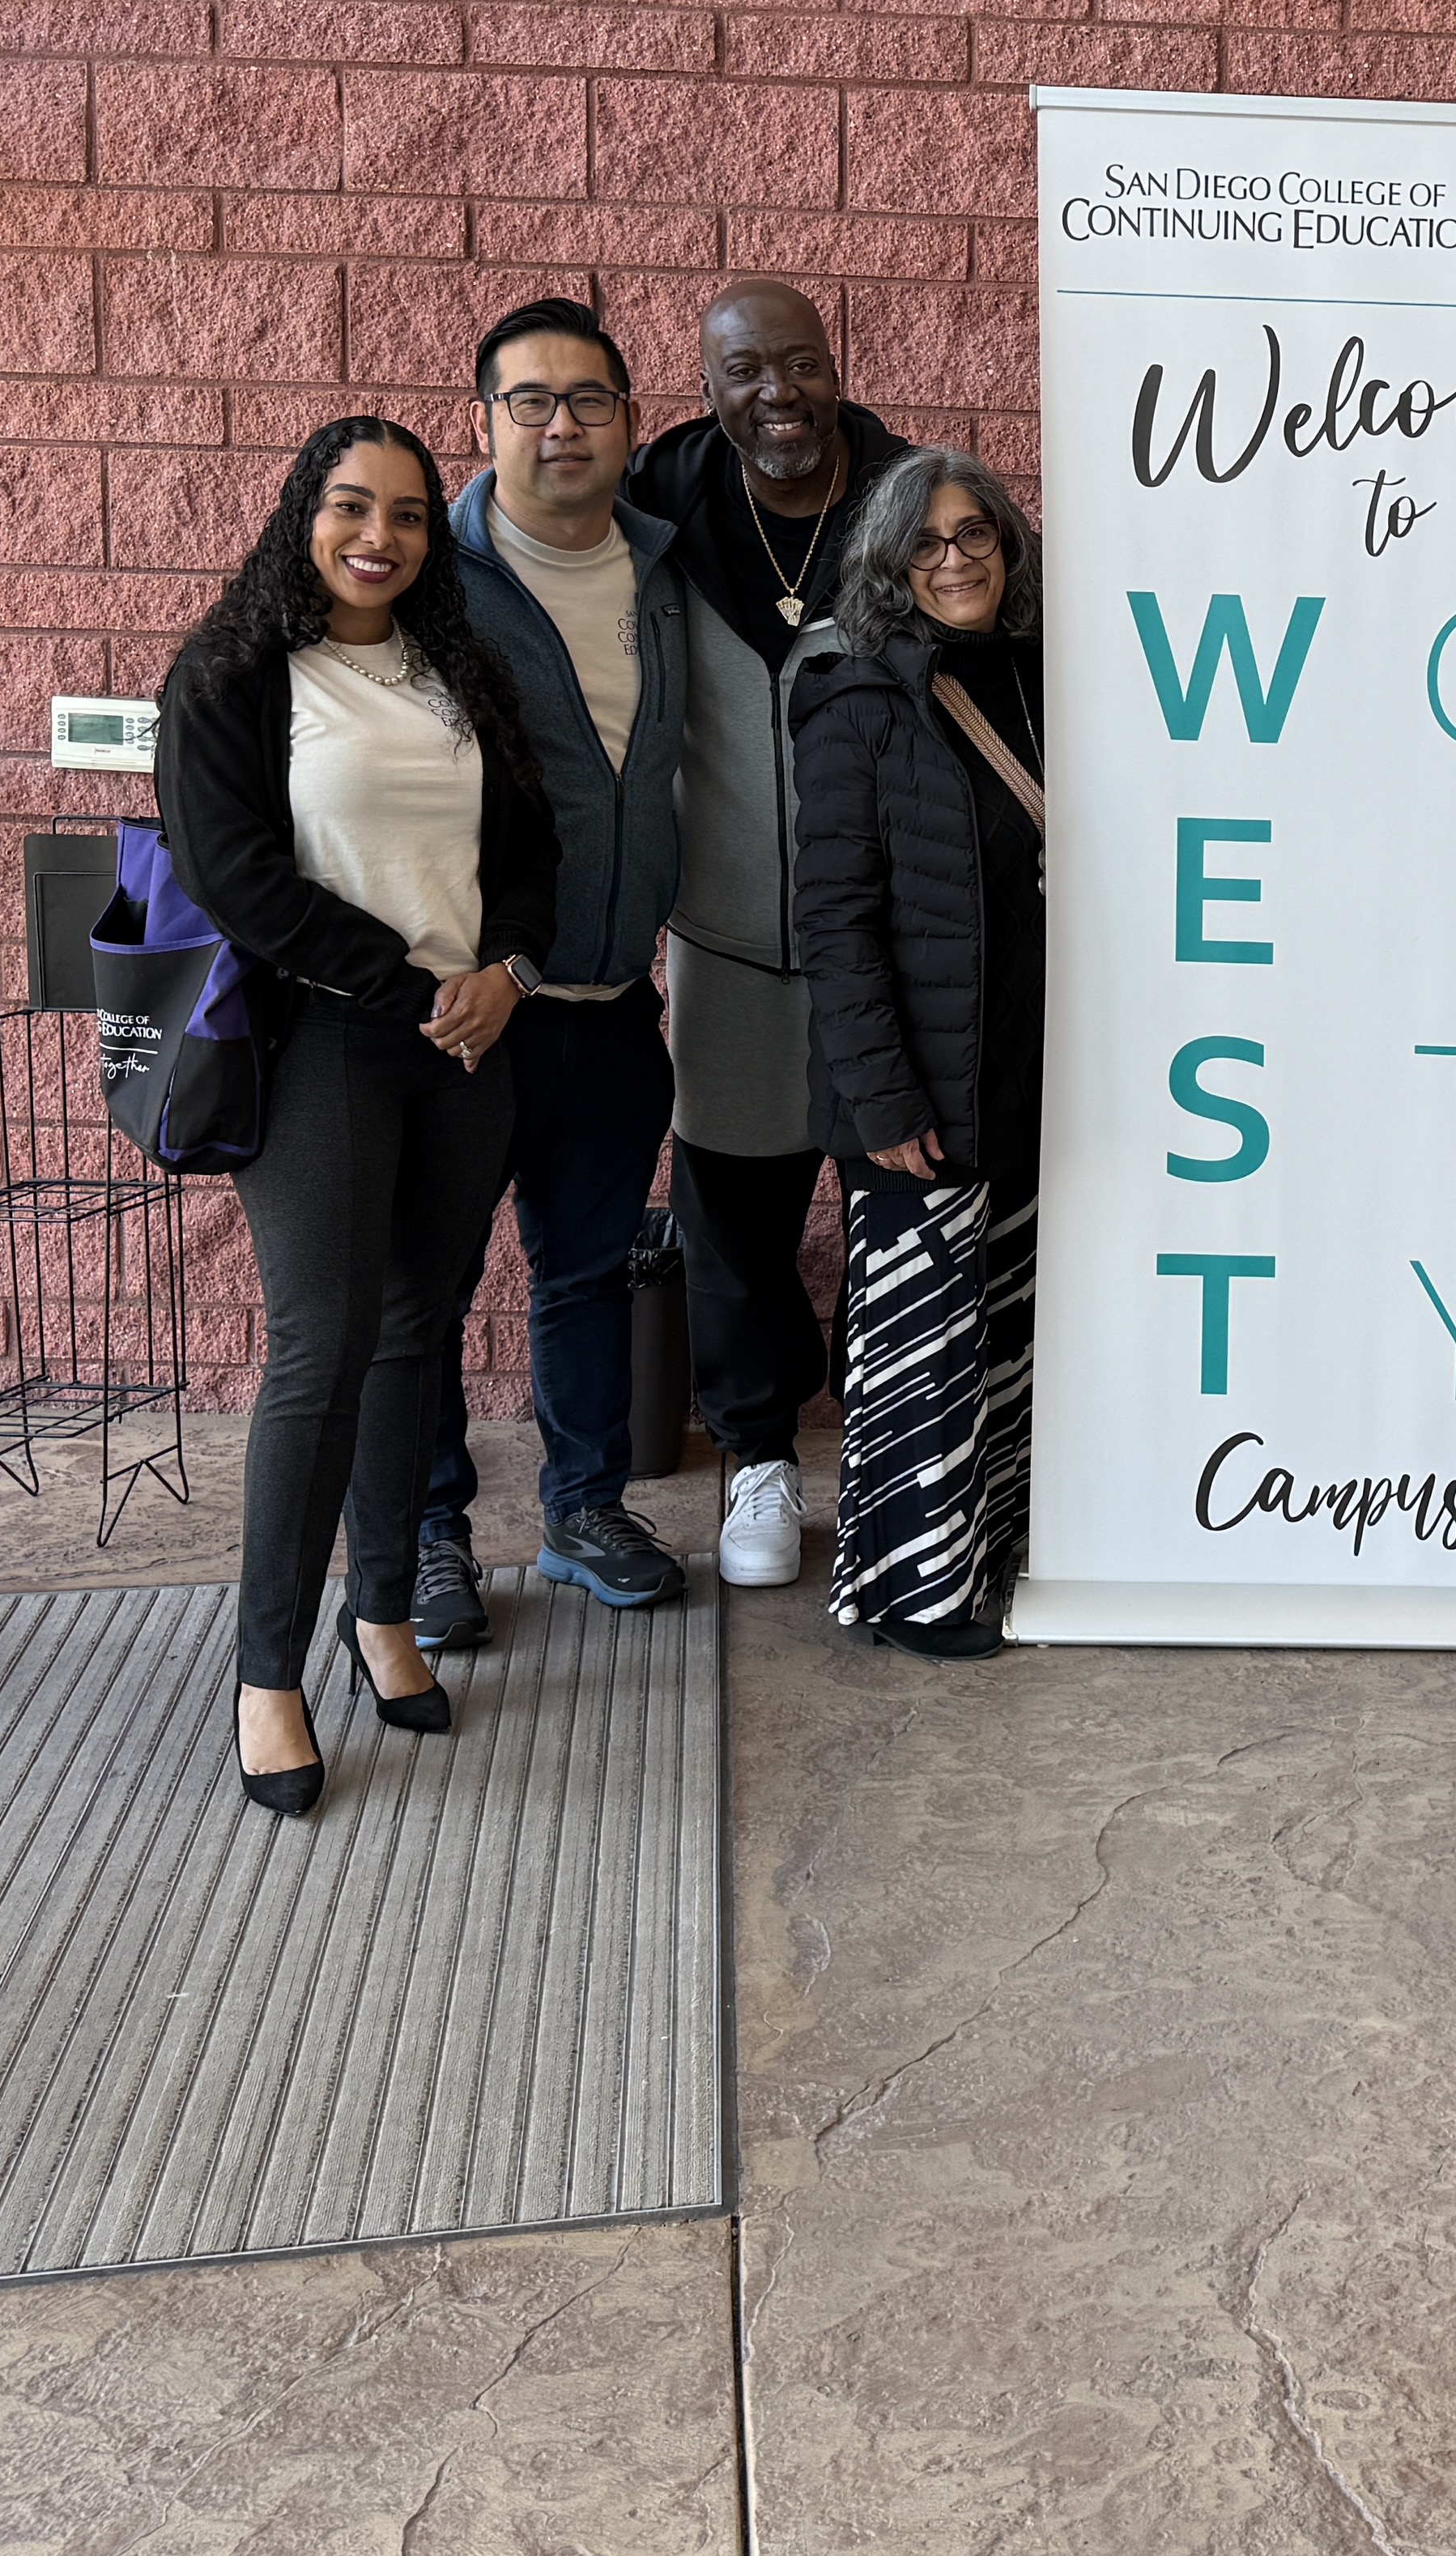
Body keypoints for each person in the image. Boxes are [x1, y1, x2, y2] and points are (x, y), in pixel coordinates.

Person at [155, 419, 555, 1814]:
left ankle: (380, 1608)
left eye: (401, 512)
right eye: (348, 507)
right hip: (323, 1039)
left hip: (464, 1045)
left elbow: (531, 853)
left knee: (414, 1335)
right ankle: (269, 1674)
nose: (376, 535)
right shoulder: (231, 676)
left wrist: (502, 971)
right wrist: (412, 982)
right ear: (302, 515)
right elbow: (233, 876)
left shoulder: (459, 670)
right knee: (319, 1351)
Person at [401, 299, 696, 1643]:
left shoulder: (666, 567)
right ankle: (426, 1533)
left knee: (583, 1270)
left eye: (590, 400)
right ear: (485, 423)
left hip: (613, 1006)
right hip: (465, 1010)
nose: (562, 424)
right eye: (531, 400)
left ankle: (585, 1507)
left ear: (633, 424)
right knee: (435, 1280)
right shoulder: (427, 580)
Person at [627, 279, 913, 1589]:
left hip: (889, 945)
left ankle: (892, 1451)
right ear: (709, 386)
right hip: (730, 943)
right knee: (732, 1218)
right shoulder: (662, 506)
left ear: (835, 364)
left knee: (898, 1209)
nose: (779, 395)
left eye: (800, 364)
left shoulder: (910, 507)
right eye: (746, 372)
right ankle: (755, 1455)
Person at [789, 450, 1048, 1658]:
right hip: (918, 1092)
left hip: (1035, 1076)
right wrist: (881, 1096)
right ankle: (913, 1591)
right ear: (890, 569)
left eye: (977, 536)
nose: (957, 561)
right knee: (918, 1345)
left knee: (1003, 1335)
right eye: (928, 545)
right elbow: (832, 927)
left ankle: (992, 1559)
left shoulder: (1053, 687)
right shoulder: (859, 705)